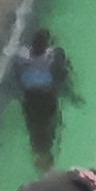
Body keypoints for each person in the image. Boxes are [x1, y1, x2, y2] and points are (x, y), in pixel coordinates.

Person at [13, 27, 75, 175]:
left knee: (35, 128)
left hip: (30, 98)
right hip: (47, 97)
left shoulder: (21, 55)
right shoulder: (54, 54)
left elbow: (16, 75)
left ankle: (41, 158)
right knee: (50, 126)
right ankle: (46, 161)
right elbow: (63, 73)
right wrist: (71, 92)